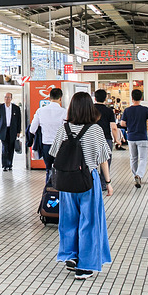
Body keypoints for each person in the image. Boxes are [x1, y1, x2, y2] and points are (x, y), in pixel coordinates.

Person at [50, 91, 113, 280]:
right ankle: (85, 266)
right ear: (89, 108)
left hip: (67, 181)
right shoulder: (95, 130)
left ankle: (71, 255)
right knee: (90, 222)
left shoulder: (64, 128)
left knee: (68, 219)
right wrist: (108, 183)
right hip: (88, 181)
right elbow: (103, 159)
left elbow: (54, 153)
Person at [120, 89, 148, 189]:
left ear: (132, 98)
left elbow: (122, 124)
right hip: (142, 137)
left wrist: (129, 125)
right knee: (143, 158)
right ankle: (139, 175)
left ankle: (135, 176)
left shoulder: (127, 110)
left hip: (131, 137)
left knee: (133, 158)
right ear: (141, 98)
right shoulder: (145, 109)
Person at [29, 87, 67, 183]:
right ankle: (60, 191)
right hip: (60, 145)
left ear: (49, 98)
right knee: (60, 170)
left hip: (46, 145)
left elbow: (32, 129)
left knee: (49, 169)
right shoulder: (64, 112)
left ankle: (49, 191)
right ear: (60, 98)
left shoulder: (40, 111)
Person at [93, 89, 118, 189]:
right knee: (106, 161)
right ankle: (103, 184)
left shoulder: (90, 109)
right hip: (106, 138)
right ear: (105, 98)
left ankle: (93, 182)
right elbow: (114, 127)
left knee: (92, 161)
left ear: (95, 98)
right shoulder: (109, 111)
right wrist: (117, 139)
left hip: (92, 138)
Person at [0, 92, 22, 171]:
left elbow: (19, 120)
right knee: (4, 148)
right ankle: (4, 165)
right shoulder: (0, 107)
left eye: (8, 97)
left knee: (11, 148)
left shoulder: (16, 108)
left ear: (11, 99)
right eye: (6, 97)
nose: (7, 99)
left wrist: (18, 131)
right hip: (3, 130)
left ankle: (10, 164)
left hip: (12, 130)